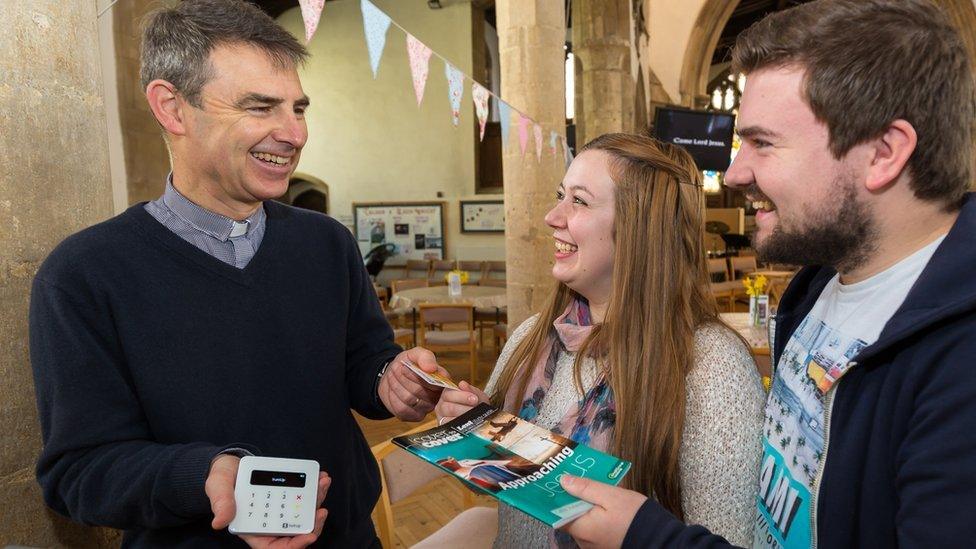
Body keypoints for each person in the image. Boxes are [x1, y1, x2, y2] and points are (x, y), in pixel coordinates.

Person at [28, 1, 448, 546]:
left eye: (299, 109)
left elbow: (361, 360)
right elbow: (78, 473)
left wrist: (389, 380)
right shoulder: (83, 275)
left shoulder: (326, 242)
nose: (294, 134)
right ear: (172, 109)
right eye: (260, 107)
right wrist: (205, 477)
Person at [558, 1, 976, 547]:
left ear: (883, 153)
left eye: (762, 142)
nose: (734, 173)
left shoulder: (958, 362)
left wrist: (650, 538)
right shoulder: (817, 289)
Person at [436, 133, 766, 548]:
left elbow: (724, 539)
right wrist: (468, 438)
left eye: (579, 200)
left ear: (639, 228)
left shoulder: (711, 367)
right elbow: (504, 491)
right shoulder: (532, 338)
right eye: (561, 195)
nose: (552, 216)